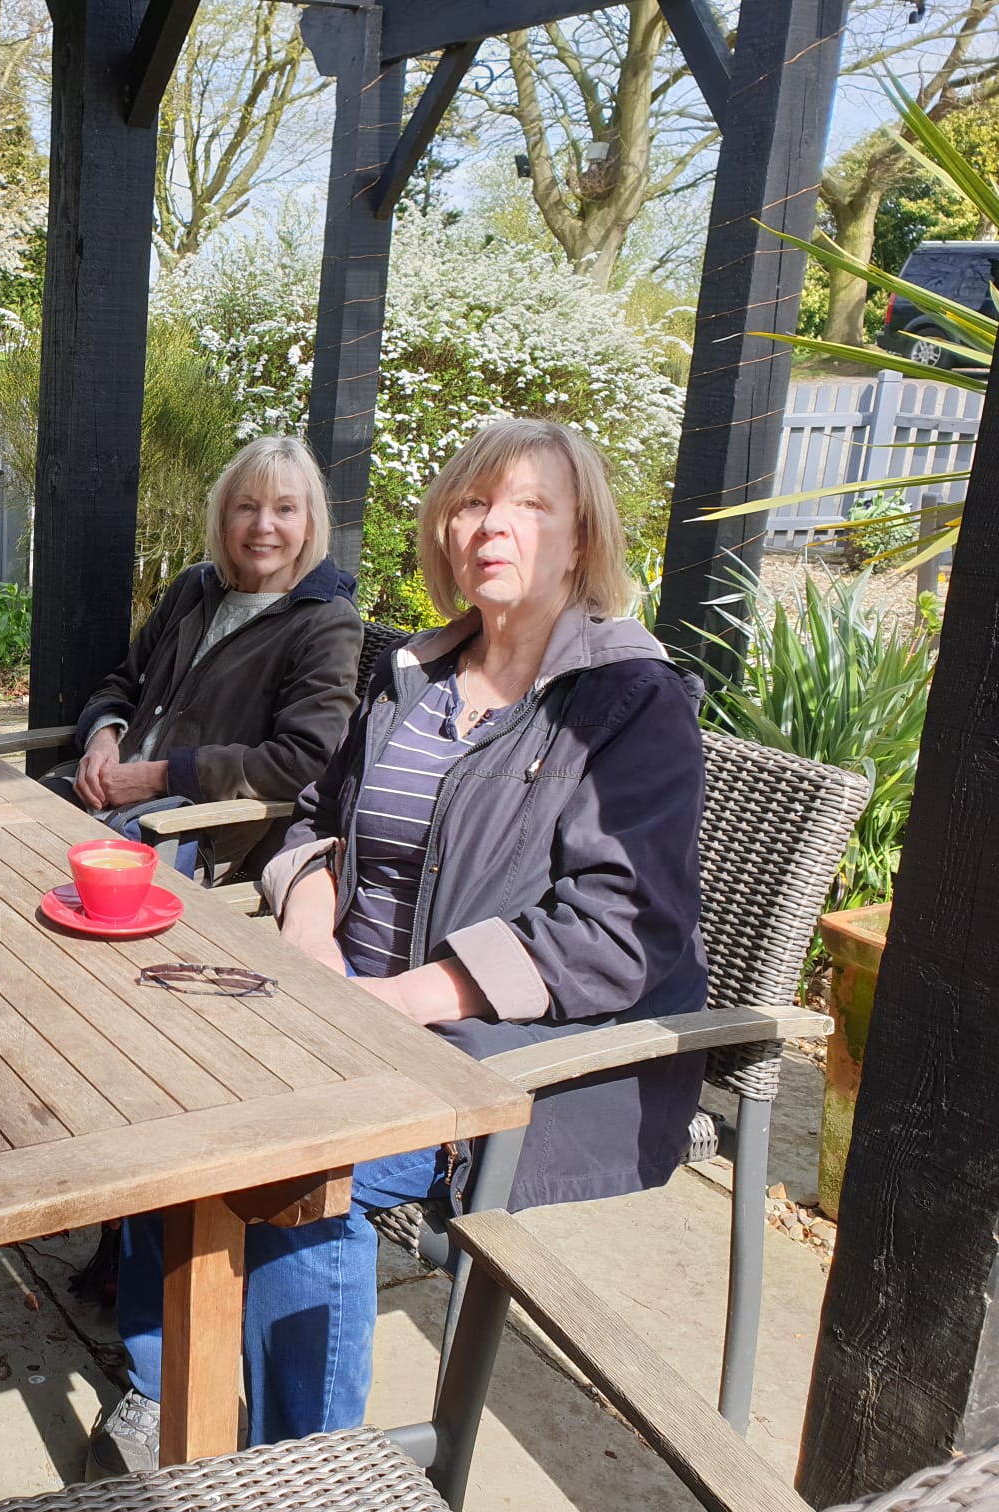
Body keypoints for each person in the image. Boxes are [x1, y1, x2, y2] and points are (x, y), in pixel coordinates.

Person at [90, 417, 709, 1472]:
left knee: (297, 1169)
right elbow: (313, 819)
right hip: (343, 1002)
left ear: (580, 538)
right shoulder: (414, 676)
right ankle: (161, 1383)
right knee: (154, 1081)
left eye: (530, 507)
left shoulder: (629, 702)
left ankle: (305, 1467)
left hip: (498, 1050)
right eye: (470, 504)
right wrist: (309, 934)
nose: (492, 528)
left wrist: (397, 1004)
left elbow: (623, 933)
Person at [51, 435, 361, 875]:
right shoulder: (196, 587)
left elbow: (307, 760)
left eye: (285, 509)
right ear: (224, 517)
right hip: (100, 803)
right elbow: (122, 683)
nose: (262, 526)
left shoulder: (326, 621)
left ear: (310, 523)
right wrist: (103, 740)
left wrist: (158, 776)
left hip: (187, 833)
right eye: (247, 507)